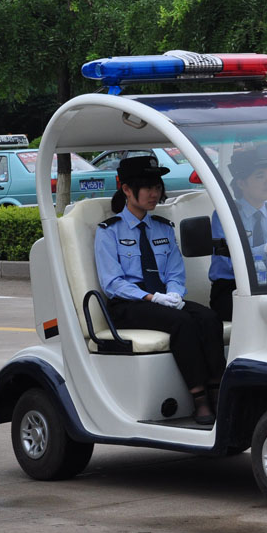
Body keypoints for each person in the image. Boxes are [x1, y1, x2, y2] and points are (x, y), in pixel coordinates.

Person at [94, 156, 225, 426]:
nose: (154, 193)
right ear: (127, 190)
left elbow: (175, 272)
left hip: (164, 299)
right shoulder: (109, 232)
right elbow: (112, 282)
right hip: (129, 304)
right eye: (147, 187)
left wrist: (175, 293)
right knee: (182, 323)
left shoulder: (163, 228)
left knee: (209, 319)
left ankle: (218, 390)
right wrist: (152, 297)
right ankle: (199, 398)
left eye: (157, 186)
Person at [208, 147, 267, 322]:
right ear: (241, 183)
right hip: (233, 289)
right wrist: (266, 249)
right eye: (260, 176)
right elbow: (228, 261)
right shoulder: (227, 216)